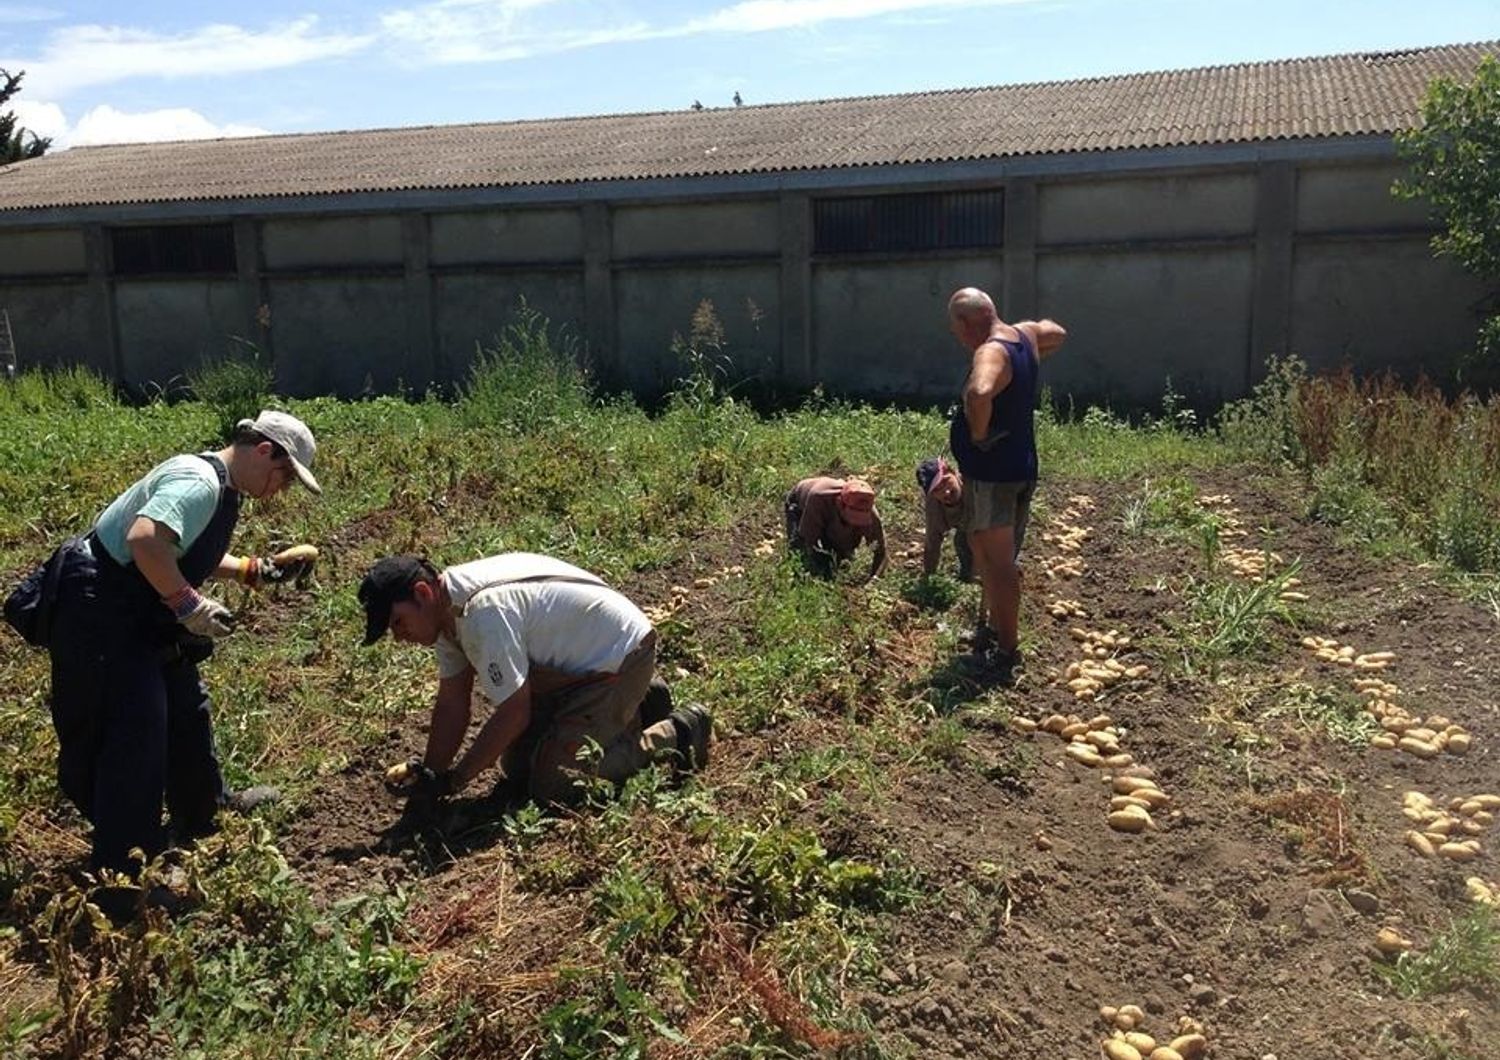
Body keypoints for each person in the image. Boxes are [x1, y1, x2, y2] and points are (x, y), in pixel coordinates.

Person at [38, 410, 322, 894]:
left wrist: (256, 570)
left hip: (136, 606)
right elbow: (146, 541)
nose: (282, 489)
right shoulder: (198, 482)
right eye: (285, 476)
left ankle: (201, 810)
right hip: (101, 609)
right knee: (134, 731)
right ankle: (123, 878)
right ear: (264, 450)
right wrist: (188, 605)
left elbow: (182, 550)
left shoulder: (224, 488)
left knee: (186, 707)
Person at [359, 552, 711, 810]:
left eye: (398, 623)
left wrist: (456, 780)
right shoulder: (448, 613)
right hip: (585, 665)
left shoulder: (481, 615)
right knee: (516, 764)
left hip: (619, 661)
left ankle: (678, 732)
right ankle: (643, 701)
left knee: (554, 781)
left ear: (422, 594)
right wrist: (431, 776)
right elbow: (453, 703)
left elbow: (515, 713)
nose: (398, 636)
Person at [947, 287, 1067, 676]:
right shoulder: (1024, 335)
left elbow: (980, 393)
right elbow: (1058, 332)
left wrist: (978, 435)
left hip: (994, 474)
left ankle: (1007, 651)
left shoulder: (990, 351)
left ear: (968, 323)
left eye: (956, 327)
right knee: (983, 548)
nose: (957, 337)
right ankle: (994, 629)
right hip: (1020, 465)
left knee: (998, 563)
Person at [783, 475, 888, 581]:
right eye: (852, 517)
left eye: (859, 521)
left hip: (830, 514)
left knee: (841, 558)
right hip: (800, 505)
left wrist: (875, 578)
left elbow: (881, 552)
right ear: (839, 503)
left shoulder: (871, 514)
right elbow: (807, 540)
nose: (853, 524)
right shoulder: (818, 498)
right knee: (799, 551)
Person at [916, 457, 973, 581]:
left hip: (999, 516)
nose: (946, 492)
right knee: (962, 541)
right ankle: (970, 577)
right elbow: (933, 542)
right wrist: (929, 578)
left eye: (945, 482)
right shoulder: (934, 505)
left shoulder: (974, 485)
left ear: (952, 472)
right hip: (966, 524)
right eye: (937, 490)